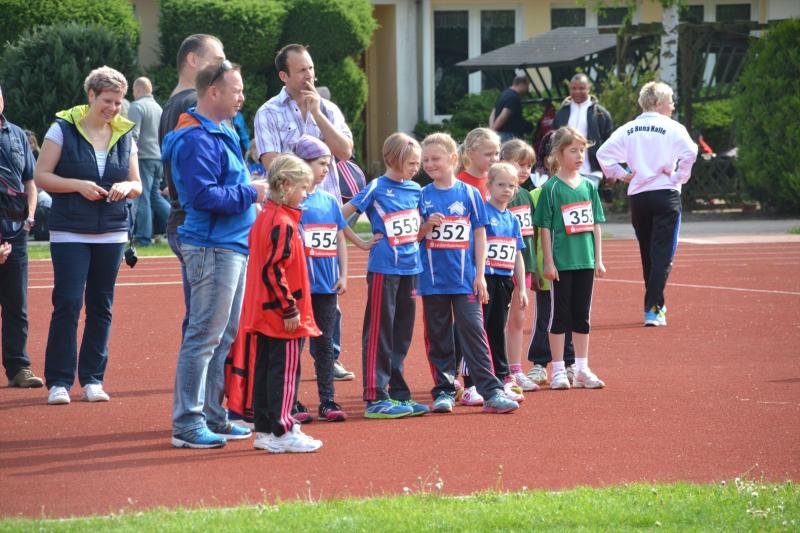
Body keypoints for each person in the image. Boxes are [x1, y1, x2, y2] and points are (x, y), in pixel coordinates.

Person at [162, 60, 268, 448]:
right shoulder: (196, 138)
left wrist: (248, 189)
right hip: (212, 246)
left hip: (230, 244)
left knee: (222, 336)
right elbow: (204, 197)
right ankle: (187, 423)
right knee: (204, 335)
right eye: (236, 90)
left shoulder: (220, 130)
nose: (242, 97)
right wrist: (251, 192)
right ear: (213, 92)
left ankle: (211, 415)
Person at [34, 66, 143, 404]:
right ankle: (59, 381)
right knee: (67, 302)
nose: (113, 108)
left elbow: (138, 184)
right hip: (70, 230)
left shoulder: (125, 133)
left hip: (112, 231)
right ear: (91, 95)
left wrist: (127, 186)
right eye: (107, 101)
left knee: (101, 305)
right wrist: (77, 186)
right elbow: (41, 176)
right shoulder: (62, 129)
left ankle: (93, 379)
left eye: (118, 102)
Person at [254, 43, 356, 381]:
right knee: (293, 285)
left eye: (310, 68)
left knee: (328, 289)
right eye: (301, 70)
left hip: (325, 213)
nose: (309, 75)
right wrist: (305, 173)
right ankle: (290, 355)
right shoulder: (268, 112)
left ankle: (329, 356)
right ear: (284, 76)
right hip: (290, 215)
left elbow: (345, 151)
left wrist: (318, 116)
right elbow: (272, 164)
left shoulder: (328, 108)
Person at [417, 132, 519, 415]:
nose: (429, 164)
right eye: (425, 160)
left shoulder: (471, 193)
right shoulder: (421, 195)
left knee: (474, 330)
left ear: (452, 158)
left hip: (465, 279)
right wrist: (426, 226)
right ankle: (444, 390)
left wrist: (480, 274)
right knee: (438, 336)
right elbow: (414, 237)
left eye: (435, 158)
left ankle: (491, 392)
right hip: (433, 280)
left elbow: (479, 233)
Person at [596, 81, 698, 327]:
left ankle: (656, 306)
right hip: (665, 194)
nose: (673, 106)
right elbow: (691, 152)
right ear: (658, 103)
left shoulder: (628, 128)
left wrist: (621, 174)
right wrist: (679, 177)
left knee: (648, 253)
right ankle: (652, 309)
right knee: (662, 253)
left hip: (639, 197)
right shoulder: (673, 127)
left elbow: (602, 154)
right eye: (671, 101)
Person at [342, 133, 428, 419]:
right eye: (411, 163)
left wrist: (427, 227)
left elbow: (415, 231)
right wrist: (360, 242)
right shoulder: (376, 187)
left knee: (402, 333)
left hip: (411, 269)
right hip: (384, 269)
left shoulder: (416, 190)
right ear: (393, 159)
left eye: (418, 163)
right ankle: (375, 396)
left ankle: (399, 393)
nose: (416, 168)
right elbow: (339, 215)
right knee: (380, 330)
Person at [243, 154, 323, 454]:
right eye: (303, 188)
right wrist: (289, 307)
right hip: (281, 313)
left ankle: (265, 428)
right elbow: (273, 270)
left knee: (266, 369)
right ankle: (283, 428)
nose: (306, 194)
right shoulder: (282, 222)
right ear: (286, 185)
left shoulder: (267, 216)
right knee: (285, 371)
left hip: (267, 310)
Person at [158, 34, 226, 340]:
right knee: (207, 323)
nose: (223, 67)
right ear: (193, 60)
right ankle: (197, 374)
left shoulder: (172, 105)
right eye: (217, 60)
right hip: (200, 222)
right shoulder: (191, 104)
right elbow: (209, 174)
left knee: (202, 319)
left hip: (186, 220)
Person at [533, 126, 606, 390]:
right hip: (562, 263)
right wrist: (548, 262)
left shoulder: (588, 186)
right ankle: (558, 369)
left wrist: (598, 258)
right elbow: (544, 227)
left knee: (582, 315)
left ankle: (582, 368)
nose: (579, 156)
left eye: (582, 151)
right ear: (559, 153)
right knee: (559, 315)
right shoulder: (551, 188)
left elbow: (596, 224)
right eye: (573, 151)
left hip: (585, 260)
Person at [295, 136, 349, 422]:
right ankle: (291, 400)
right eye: (321, 163)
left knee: (325, 343)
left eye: (328, 164)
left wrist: (343, 274)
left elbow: (339, 238)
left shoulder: (329, 201)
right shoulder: (294, 202)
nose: (326, 169)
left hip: (327, 287)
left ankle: (327, 400)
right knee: (295, 344)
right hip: (299, 288)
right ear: (302, 165)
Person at [0, 83, 42, 388]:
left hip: (15, 232)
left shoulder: (16, 135)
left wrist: (29, 217)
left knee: (17, 305)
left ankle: (18, 368)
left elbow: (30, 181)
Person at [478, 162, 528, 403]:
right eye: (501, 185)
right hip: (486, 278)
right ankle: (471, 377)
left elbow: (517, 254)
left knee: (498, 328)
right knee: (481, 328)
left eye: (511, 186)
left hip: (505, 281)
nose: (506, 190)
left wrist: (522, 287)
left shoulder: (512, 219)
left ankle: (502, 374)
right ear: (489, 186)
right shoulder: (483, 214)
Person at [499, 139, 540, 391]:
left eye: (529, 166)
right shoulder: (499, 195)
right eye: (519, 164)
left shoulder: (526, 196)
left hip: (524, 267)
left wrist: (535, 268)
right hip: (500, 267)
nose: (525, 170)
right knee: (496, 320)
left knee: (518, 319)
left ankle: (515, 369)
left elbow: (532, 235)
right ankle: (496, 370)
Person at [552, 73, 614, 188]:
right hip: (565, 171)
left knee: (586, 199)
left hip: (591, 171)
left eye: (581, 88)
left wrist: (610, 169)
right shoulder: (562, 112)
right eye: (574, 88)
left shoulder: (601, 114)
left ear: (588, 88)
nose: (577, 92)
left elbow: (609, 143)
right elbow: (554, 140)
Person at [128, 76, 169, 246]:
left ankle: (143, 238)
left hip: (143, 158)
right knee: (154, 197)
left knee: (142, 197)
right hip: (158, 157)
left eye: (133, 90)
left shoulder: (136, 106)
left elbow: (133, 135)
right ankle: (182, 225)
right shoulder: (159, 108)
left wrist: (127, 155)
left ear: (138, 89)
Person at [456, 127, 500, 200]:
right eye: (488, 154)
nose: (494, 159)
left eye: (497, 154)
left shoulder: (498, 179)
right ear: (470, 153)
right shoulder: (459, 185)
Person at [490, 75, 533, 143]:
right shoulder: (513, 97)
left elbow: (493, 114)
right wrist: (493, 131)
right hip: (509, 136)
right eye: (527, 85)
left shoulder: (502, 95)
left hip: (500, 134)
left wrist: (491, 130)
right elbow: (504, 116)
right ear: (522, 84)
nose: (528, 89)